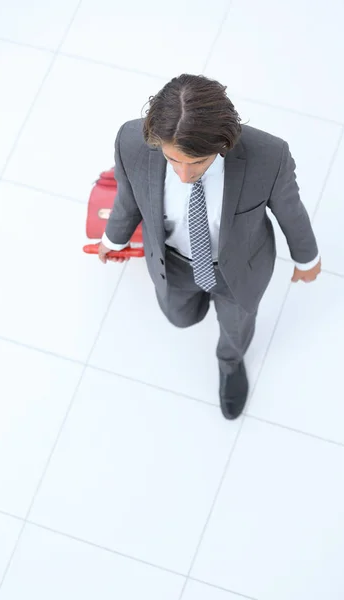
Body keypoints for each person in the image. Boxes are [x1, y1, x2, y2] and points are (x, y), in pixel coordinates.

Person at [98, 74, 321, 420]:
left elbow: (290, 212)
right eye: (174, 161)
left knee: (236, 327)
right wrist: (113, 239)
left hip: (239, 269)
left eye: (197, 163)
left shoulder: (269, 156)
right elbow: (129, 198)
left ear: (223, 144)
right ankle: (194, 305)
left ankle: (230, 363)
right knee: (180, 316)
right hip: (172, 263)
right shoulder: (131, 141)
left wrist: (308, 259)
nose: (184, 176)